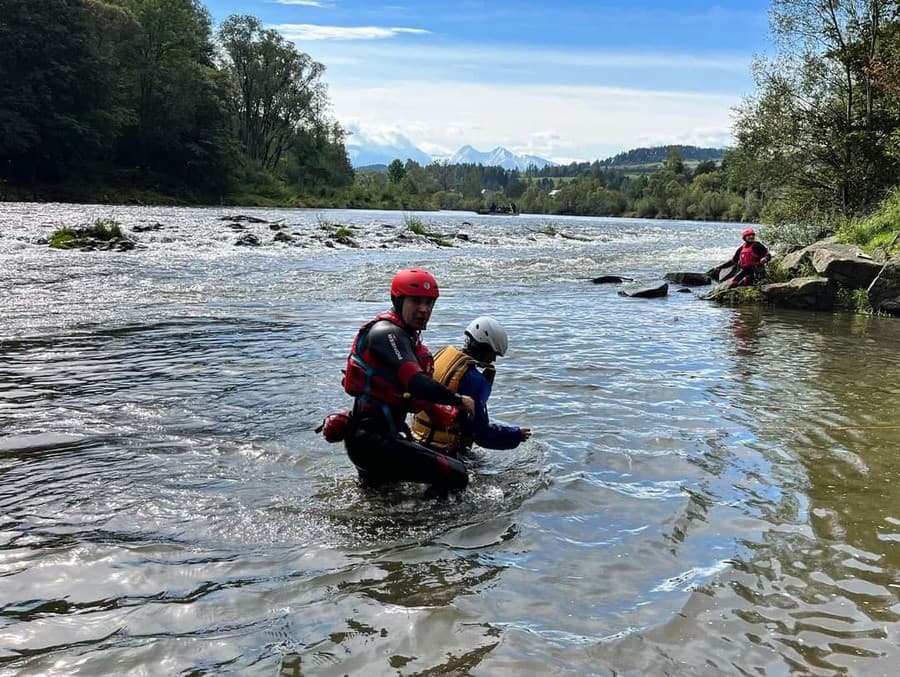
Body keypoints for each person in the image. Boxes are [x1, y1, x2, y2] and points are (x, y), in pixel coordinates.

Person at [340, 268, 476, 494]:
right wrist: (458, 399)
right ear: (398, 300)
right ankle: (437, 528)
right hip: (374, 442)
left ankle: (396, 526)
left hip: (376, 438)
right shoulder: (386, 333)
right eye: (415, 301)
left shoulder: (405, 335)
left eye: (429, 303)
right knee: (456, 474)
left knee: (382, 502)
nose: (423, 310)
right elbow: (415, 382)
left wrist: (437, 412)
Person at [411, 316, 531, 458]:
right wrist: (515, 435)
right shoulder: (474, 380)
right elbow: (481, 434)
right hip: (446, 452)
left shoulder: (443, 356)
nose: (493, 360)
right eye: (494, 354)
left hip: (417, 439)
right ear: (484, 347)